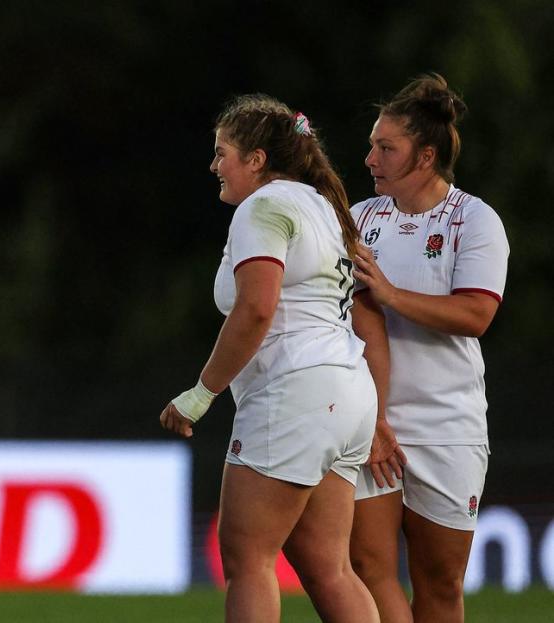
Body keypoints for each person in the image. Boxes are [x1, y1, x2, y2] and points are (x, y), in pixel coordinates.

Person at [158, 95, 385, 622]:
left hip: (297, 394)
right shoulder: (323, 206)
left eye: (222, 153)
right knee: (328, 567)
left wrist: (201, 394)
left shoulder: (265, 206)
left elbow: (257, 309)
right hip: (348, 391)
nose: (214, 166)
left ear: (256, 159)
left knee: (247, 558)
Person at [349, 74, 509, 623]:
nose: (370, 156)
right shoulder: (362, 220)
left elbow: (475, 315)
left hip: (447, 424)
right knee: (367, 570)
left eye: (385, 147)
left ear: (426, 156)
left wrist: (390, 294)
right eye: (373, 144)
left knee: (439, 585)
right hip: (371, 421)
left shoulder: (475, 219)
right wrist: (368, 414)